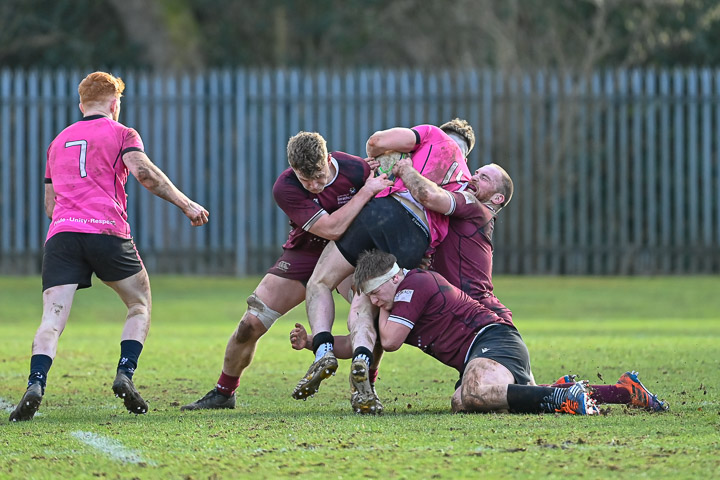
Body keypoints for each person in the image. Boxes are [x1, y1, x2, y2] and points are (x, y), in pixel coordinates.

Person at [390, 158, 668, 412]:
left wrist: (405, 169)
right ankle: (621, 392)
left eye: (484, 177)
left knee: (484, 398)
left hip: (486, 321)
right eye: (475, 171)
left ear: (497, 198)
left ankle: (583, 395)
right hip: (480, 324)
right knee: (494, 399)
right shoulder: (465, 212)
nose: (474, 177)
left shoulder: (476, 208)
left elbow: (428, 195)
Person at [9, 71, 209, 422]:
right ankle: (125, 373)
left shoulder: (58, 142)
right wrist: (186, 204)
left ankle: (36, 382)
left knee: (52, 319)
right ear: (115, 103)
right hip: (107, 231)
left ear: (81, 104)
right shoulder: (122, 134)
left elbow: (50, 205)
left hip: (63, 236)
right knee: (139, 304)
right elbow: (144, 174)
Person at [180, 131, 392, 411]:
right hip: (306, 252)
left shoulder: (354, 168)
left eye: (320, 177)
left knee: (369, 319)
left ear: (328, 159)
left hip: (347, 254)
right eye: (307, 180)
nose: (315, 185)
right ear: (293, 170)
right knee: (250, 323)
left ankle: (365, 390)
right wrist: (366, 191)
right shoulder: (286, 187)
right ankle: (224, 392)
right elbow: (330, 228)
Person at [292, 120, 473, 413]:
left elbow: (376, 141)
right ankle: (362, 358)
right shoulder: (466, 182)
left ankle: (323, 349)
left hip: (387, 210)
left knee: (320, 281)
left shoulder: (432, 135)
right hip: (418, 237)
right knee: (369, 301)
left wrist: (380, 159)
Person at [354, 249, 601, 415]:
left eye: (375, 293)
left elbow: (389, 341)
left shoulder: (412, 287)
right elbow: (356, 344)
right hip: (485, 351)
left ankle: (558, 399)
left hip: (493, 340)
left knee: (474, 393)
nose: (374, 301)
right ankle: (589, 391)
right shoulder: (402, 303)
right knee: (460, 402)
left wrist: (383, 308)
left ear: (395, 278)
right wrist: (320, 343)